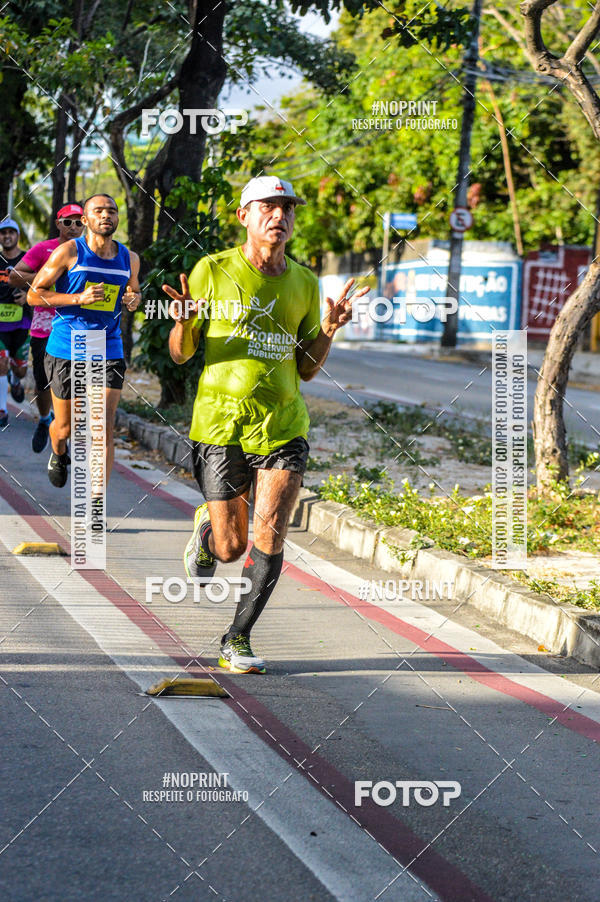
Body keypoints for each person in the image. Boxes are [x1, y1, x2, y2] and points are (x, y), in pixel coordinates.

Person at [165, 175, 367, 674]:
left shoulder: (304, 281)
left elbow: (305, 368)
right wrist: (184, 322)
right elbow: (181, 354)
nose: (279, 217)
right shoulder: (211, 270)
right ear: (244, 216)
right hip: (219, 424)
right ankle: (209, 533)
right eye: (268, 208)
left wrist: (327, 330)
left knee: (271, 532)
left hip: (283, 425)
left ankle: (237, 639)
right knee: (232, 547)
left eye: (287, 209)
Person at [27, 194, 141, 504]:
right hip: (68, 347)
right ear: (86, 220)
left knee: (102, 423)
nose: (107, 215)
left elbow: (134, 291)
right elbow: (35, 296)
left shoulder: (129, 258)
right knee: (64, 428)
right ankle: (58, 451)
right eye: (98, 211)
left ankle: (95, 501)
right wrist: (78, 299)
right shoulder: (68, 252)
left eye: (112, 211)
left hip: (108, 346)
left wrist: (133, 299)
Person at [9, 204, 85, 451]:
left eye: (78, 222)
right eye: (67, 222)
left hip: (83, 328)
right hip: (46, 327)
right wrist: (47, 277)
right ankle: (44, 420)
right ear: (58, 223)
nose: (73, 227)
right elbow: (14, 277)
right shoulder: (44, 249)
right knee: (44, 384)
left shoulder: (93, 252)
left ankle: (68, 439)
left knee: (80, 389)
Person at [0, 217, 28, 428]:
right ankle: (2, 411)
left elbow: (44, 284)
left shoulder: (28, 259)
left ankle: (15, 379)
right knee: (0, 363)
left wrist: (28, 295)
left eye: (11, 232)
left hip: (22, 323)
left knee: (20, 370)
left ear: (17, 236)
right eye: (3, 233)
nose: (7, 236)